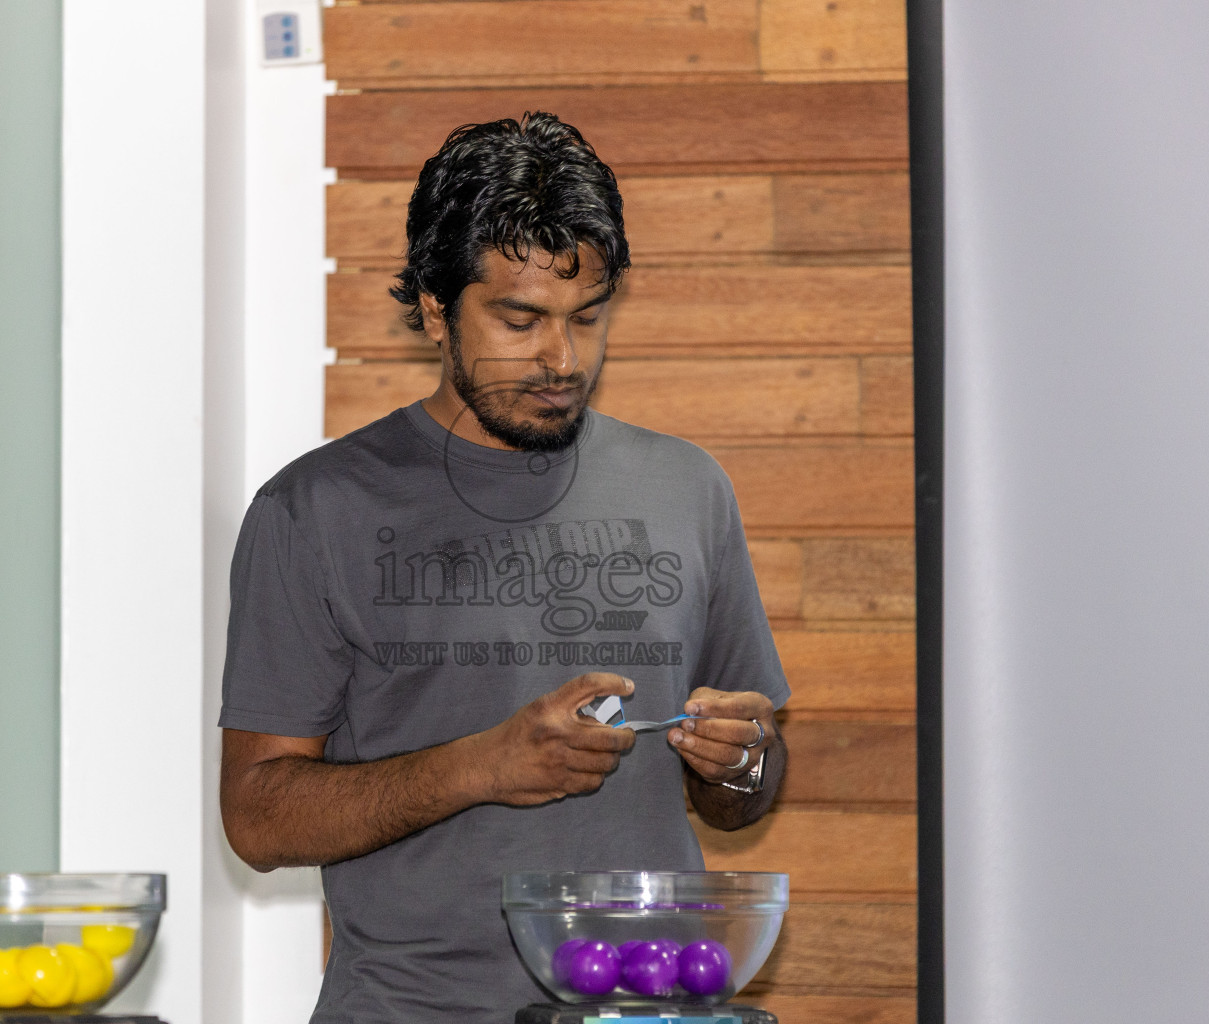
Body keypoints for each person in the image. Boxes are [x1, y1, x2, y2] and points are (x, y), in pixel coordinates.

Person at [218, 112, 789, 1024]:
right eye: (520, 320)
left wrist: (741, 758)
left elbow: (739, 799)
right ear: (438, 309)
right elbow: (256, 818)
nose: (562, 359)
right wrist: (481, 767)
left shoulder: (688, 486)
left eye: (586, 317)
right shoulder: (316, 508)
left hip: (652, 1004)